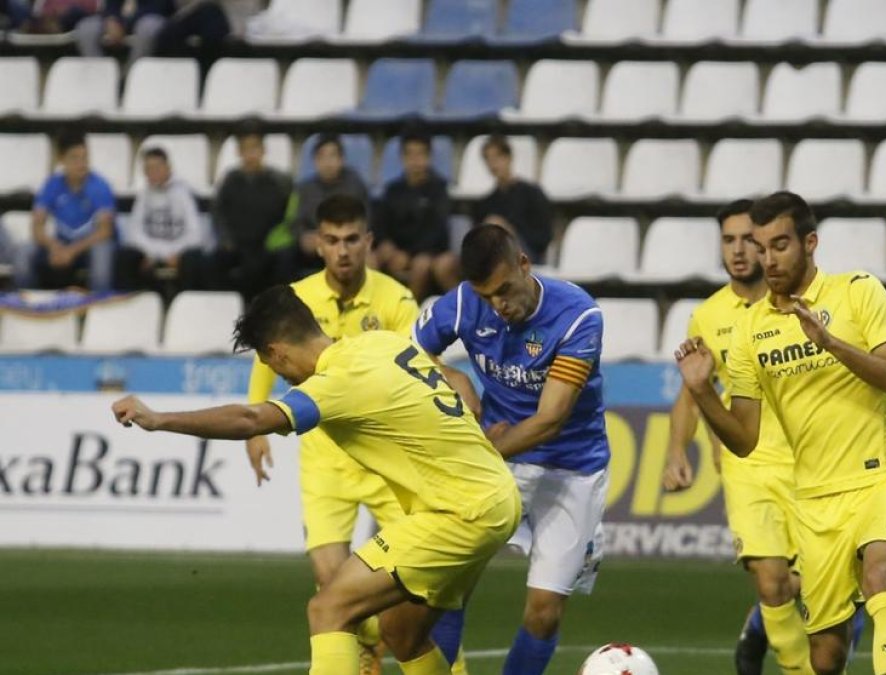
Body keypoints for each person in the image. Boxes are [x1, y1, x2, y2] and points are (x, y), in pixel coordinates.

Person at [112, 284, 521, 675]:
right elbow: (452, 382)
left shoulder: (336, 383)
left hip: (460, 512)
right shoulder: (381, 343)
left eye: (272, 365)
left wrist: (159, 419)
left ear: (277, 352)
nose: (281, 376)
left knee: (329, 609)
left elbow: (251, 419)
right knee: (402, 633)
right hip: (496, 495)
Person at [676, 191, 886, 675]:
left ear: (810, 243)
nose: (767, 259)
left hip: (882, 478)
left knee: (879, 576)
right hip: (814, 498)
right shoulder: (750, 330)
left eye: (779, 245)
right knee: (826, 656)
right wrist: (702, 392)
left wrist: (830, 343)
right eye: (761, 247)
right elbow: (743, 438)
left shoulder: (857, 291)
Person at [240, 194, 447, 674]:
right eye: (332, 240)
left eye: (352, 239)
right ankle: (368, 648)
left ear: (368, 241)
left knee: (416, 589)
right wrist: (256, 427)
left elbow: (420, 363)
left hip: (385, 458)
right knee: (332, 581)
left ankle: (409, 652)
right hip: (324, 459)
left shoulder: (395, 298)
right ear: (318, 244)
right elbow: (264, 357)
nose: (343, 250)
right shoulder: (297, 299)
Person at [413, 224, 609, 675]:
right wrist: (453, 376)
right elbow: (407, 355)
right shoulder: (463, 303)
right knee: (448, 588)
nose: (498, 305)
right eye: (487, 296)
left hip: (571, 469)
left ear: (524, 264)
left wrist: (485, 449)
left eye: (503, 290)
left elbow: (550, 419)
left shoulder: (577, 316)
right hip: (500, 463)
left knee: (544, 613)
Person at [17, 131, 116, 291]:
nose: (81, 163)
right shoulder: (52, 184)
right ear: (61, 159)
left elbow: (105, 231)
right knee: (24, 252)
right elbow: (36, 226)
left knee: (102, 252)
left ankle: (99, 301)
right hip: (61, 245)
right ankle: (27, 299)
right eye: (74, 158)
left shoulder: (100, 186)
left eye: (85, 157)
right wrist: (53, 246)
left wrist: (72, 251)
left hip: (87, 247)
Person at [208, 129, 292, 300]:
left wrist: (273, 240)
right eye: (246, 149)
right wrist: (226, 240)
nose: (251, 154)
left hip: (267, 244)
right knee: (212, 262)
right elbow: (218, 213)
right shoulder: (230, 180)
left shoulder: (279, 181)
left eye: (255, 148)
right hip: (236, 244)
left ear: (263, 151)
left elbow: (289, 215)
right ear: (239, 152)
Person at [373, 134, 458, 301]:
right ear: (403, 158)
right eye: (410, 154)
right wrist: (387, 246)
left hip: (428, 253)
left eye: (420, 154)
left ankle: (410, 311)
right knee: (369, 258)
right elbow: (379, 225)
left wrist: (408, 255)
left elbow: (438, 233)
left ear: (429, 157)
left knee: (421, 264)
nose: (415, 160)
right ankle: (372, 309)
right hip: (396, 252)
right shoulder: (392, 190)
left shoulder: (439, 189)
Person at [114, 147, 208, 293]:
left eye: (156, 167)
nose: (152, 172)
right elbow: (134, 232)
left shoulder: (183, 193)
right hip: (151, 252)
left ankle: (185, 301)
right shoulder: (144, 194)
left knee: (193, 259)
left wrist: (173, 254)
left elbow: (195, 234)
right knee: (126, 257)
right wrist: (153, 253)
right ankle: (134, 301)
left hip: (178, 252)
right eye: (148, 169)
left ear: (168, 167)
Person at [284, 135, 371, 280]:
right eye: (322, 157)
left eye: (332, 156)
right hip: (314, 247)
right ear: (315, 161)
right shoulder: (304, 188)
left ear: (341, 160)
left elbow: (366, 219)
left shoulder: (355, 185)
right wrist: (303, 236)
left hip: (346, 244)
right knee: (284, 257)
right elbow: (294, 221)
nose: (327, 162)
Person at [471, 136, 554, 265]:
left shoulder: (532, 193)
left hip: (528, 255)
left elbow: (544, 237)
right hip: (496, 260)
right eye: (488, 159)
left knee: (495, 224)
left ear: (508, 157)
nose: (493, 164)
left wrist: (510, 233)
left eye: (497, 157)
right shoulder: (486, 202)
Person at [75, 0, 171, 64]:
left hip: (152, 17)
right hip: (120, 19)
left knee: (148, 27)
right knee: (87, 27)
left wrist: (123, 24)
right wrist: (112, 19)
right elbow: (110, 6)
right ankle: (101, 76)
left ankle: (131, 77)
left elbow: (159, 7)